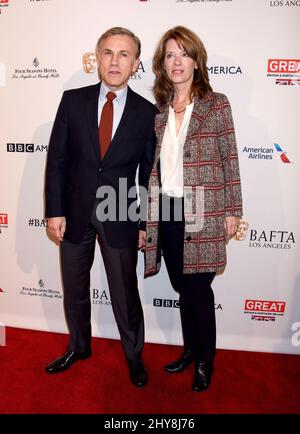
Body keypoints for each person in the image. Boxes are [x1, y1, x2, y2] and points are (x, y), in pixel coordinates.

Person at [44, 27, 157, 388]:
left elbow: (146, 175)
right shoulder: (72, 100)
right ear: (97, 57)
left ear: (136, 63)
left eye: (124, 54)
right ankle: (79, 346)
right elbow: (56, 161)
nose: (114, 61)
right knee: (74, 286)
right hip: (74, 211)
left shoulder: (147, 112)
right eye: (108, 52)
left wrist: (143, 223)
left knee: (125, 290)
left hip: (122, 211)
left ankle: (133, 355)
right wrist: (54, 210)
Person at [141, 26, 243, 392]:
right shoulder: (160, 111)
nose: (177, 61)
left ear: (196, 61)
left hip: (203, 209)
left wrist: (233, 209)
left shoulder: (217, 104)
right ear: (162, 65)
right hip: (166, 210)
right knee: (182, 286)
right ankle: (189, 349)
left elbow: (229, 158)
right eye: (170, 55)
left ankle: (205, 361)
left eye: (184, 53)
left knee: (200, 292)